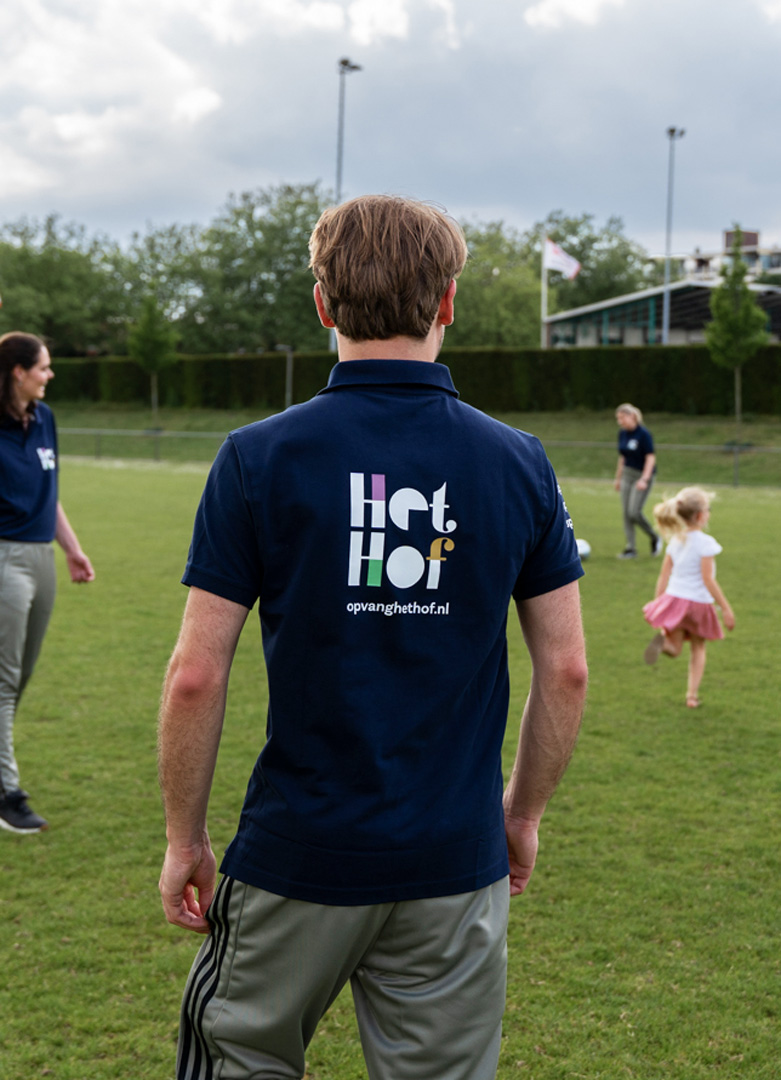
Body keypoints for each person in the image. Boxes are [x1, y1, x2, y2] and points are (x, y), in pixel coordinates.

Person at [158, 194, 588, 1080]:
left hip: (295, 855)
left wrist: (184, 839)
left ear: (321, 304)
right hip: (454, 858)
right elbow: (568, 669)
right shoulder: (518, 461)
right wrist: (522, 815)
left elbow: (197, 675)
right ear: (448, 303)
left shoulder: (258, 455)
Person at [0, 332, 95, 834]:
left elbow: (49, 493)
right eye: (43, 367)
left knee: (20, 678)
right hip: (4, 560)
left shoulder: (46, 420)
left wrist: (72, 548)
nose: (49, 374)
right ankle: (7, 793)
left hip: (42, 558)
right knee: (2, 679)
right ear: (18, 371)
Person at [642, 486, 735, 708]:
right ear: (701, 516)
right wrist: (726, 608)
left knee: (675, 650)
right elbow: (708, 580)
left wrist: (659, 604)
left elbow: (663, 576)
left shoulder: (675, 541)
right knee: (698, 648)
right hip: (698, 604)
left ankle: (662, 644)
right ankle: (691, 696)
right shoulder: (706, 544)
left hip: (675, 600)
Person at [614, 402, 662, 559]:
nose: (620, 421)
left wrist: (645, 479)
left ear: (632, 416)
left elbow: (650, 457)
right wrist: (618, 478)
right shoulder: (622, 434)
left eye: (622, 418)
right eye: (618, 418)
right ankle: (630, 548)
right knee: (626, 513)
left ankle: (654, 537)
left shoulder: (644, 434)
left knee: (634, 512)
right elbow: (623, 457)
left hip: (641, 475)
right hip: (627, 474)